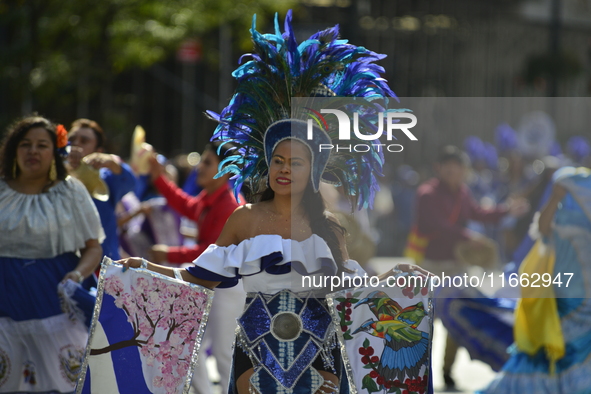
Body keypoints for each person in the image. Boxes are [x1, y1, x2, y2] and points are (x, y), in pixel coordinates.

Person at [117, 10, 430, 394]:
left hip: (321, 352)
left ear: (312, 173)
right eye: (277, 161)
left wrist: (395, 277)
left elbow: (352, 292)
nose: (283, 170)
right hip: (255, 347)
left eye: (294, 163)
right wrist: (143, 267)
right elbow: (197, 277)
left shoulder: (329, 227)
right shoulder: (244, 218)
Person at [407, 145, 528, 390]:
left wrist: (506, 210)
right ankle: (418, 372)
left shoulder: (462, 193)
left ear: (464, 170)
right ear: (439, 168)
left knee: (458, 319)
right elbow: (435, 224)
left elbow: (479, 213)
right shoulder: (427, 193)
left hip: (457, 266)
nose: (454, 171)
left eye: (458, 167)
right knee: (423, 321)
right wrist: (468, 235)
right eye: (449, 167)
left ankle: (447, 370)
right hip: (430, 265)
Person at [0, 116, 104, 393]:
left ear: (55, 152)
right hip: (4, 307)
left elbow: (93, 247)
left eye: (41, 145)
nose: (32, 151)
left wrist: (78, 274)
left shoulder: (70, 192)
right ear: (14, 150)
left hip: (53, 305)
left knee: (65, 385)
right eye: (25, 144)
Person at [480, 166, 591, 393]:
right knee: (556, 336)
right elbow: (542, 228)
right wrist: (556, 196)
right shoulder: (565, 191)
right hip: (564, 285)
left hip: (586, 285)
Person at [146, 142, 245, 394]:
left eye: (207, 162)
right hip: (210, 282)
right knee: (191, 344)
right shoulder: (213, 198)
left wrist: (169, 254)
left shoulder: (229, 205)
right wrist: (159, 178)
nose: (199, 167)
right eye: (202, 161)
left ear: (224, 171)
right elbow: (187, 206)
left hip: (228, 287)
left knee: (223, 352)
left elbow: (210, 250)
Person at [68, 118, 136, 261]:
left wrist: (112, 163)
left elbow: (130, 181)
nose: (75, 144)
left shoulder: (105, 178)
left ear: (98, 151)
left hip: (102, 266)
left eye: (84, 141)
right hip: (64, 264)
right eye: (71, 139)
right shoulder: (53, 176)